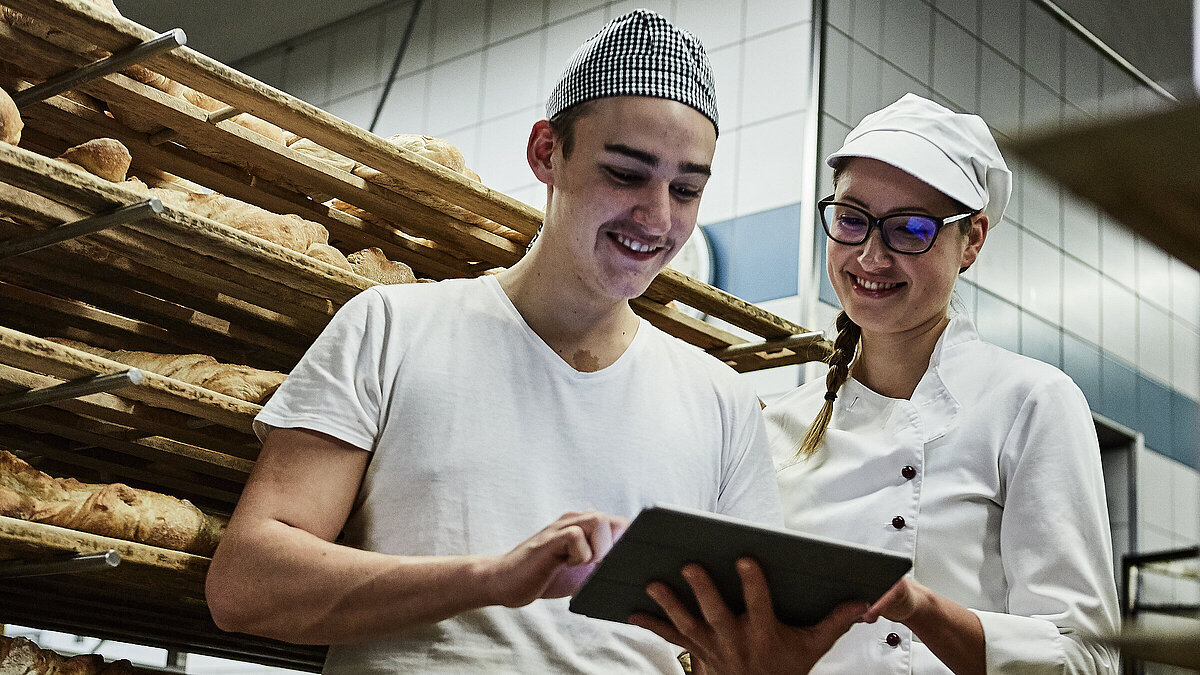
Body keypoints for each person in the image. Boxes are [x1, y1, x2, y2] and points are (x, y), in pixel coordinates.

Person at [204, 10, 804, 673]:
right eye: (627, 173)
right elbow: (246, 585)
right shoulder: (390, 327)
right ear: (547, 152)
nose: (658, 216)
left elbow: (753, 647)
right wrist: (491, 578)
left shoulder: (721, 400)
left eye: (686, 189)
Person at [634, 93, 1121, 674]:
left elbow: (1089, 656)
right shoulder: (773, 428)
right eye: (851, 220)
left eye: (911, 229)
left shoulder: (1030, 402)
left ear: (972, 241)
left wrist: (921, 609)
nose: (871, 255)